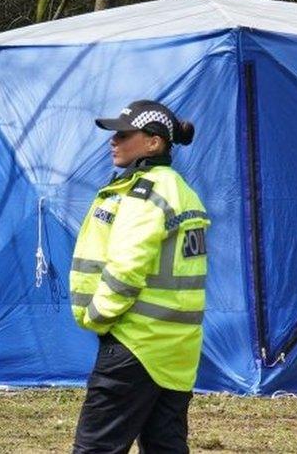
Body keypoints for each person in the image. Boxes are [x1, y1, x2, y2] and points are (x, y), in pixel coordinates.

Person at [70, 100, 211, 454]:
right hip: (175, 350)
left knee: (95, 448)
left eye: (123, 133)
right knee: (165, 446)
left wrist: (98, 317)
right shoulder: (182, 192)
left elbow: (127, 265)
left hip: (134, 345)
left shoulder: (145, 194)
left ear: (154, 142)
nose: (113, 141)